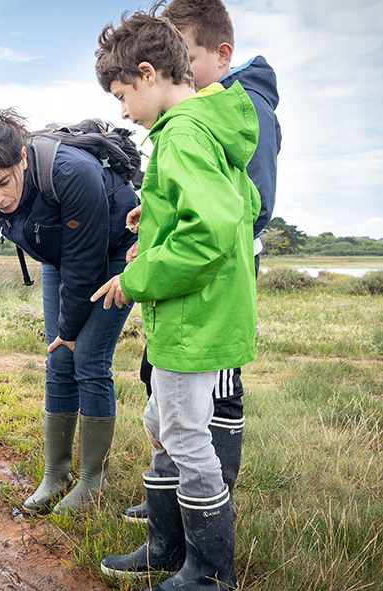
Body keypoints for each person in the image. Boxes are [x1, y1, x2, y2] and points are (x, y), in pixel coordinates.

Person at [90, 11, 259, 591]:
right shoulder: (206, 126)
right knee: (161, 424)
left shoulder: (183, 133)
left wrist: (136, 278)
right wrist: (154, 215)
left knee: (186, 435)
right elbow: (242, 201)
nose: (122, 112)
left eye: (122, 96)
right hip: (199, 313)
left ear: (147, 74)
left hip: (196, 317)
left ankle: (210, 570)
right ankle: (164, 548)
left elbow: (209, 234)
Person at [0, 109, 139, 514]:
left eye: (3, 183)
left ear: (22, 157)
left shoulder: (70, 173)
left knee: (86, 356)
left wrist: (69, 330)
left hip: (116, 255)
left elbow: (85, 265)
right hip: (62, 259)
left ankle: (93, 479)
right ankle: (56, 474)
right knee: (58, 358)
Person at [122, 0, 282, 525]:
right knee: (168, 408)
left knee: (209, 403)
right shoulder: (196, 117)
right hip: (188, 278)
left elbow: (240, 212)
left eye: (186, 56)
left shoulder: (215, 117)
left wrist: (150, 262)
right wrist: (157, 217)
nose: (181, 68)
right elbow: (219, 196)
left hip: (208, 285)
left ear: (220, 54)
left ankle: (210, 518)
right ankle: (172, 519)